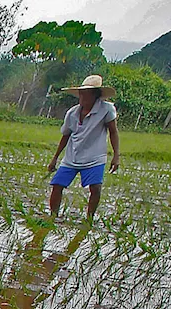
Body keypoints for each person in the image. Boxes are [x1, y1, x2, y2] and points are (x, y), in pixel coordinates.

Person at [47, 74, 120, 222]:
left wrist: (116, 155)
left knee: (96, 188)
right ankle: (52, 216)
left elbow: (113, 131)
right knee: (57, 185)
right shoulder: (72, 113)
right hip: (72, 156)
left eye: (86, 95)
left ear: (96, 96)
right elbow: (65, 136)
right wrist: (54, 158)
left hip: (95, 157)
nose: (82, 98)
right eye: (81, 94)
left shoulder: (106, 110)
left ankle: (89, 219)